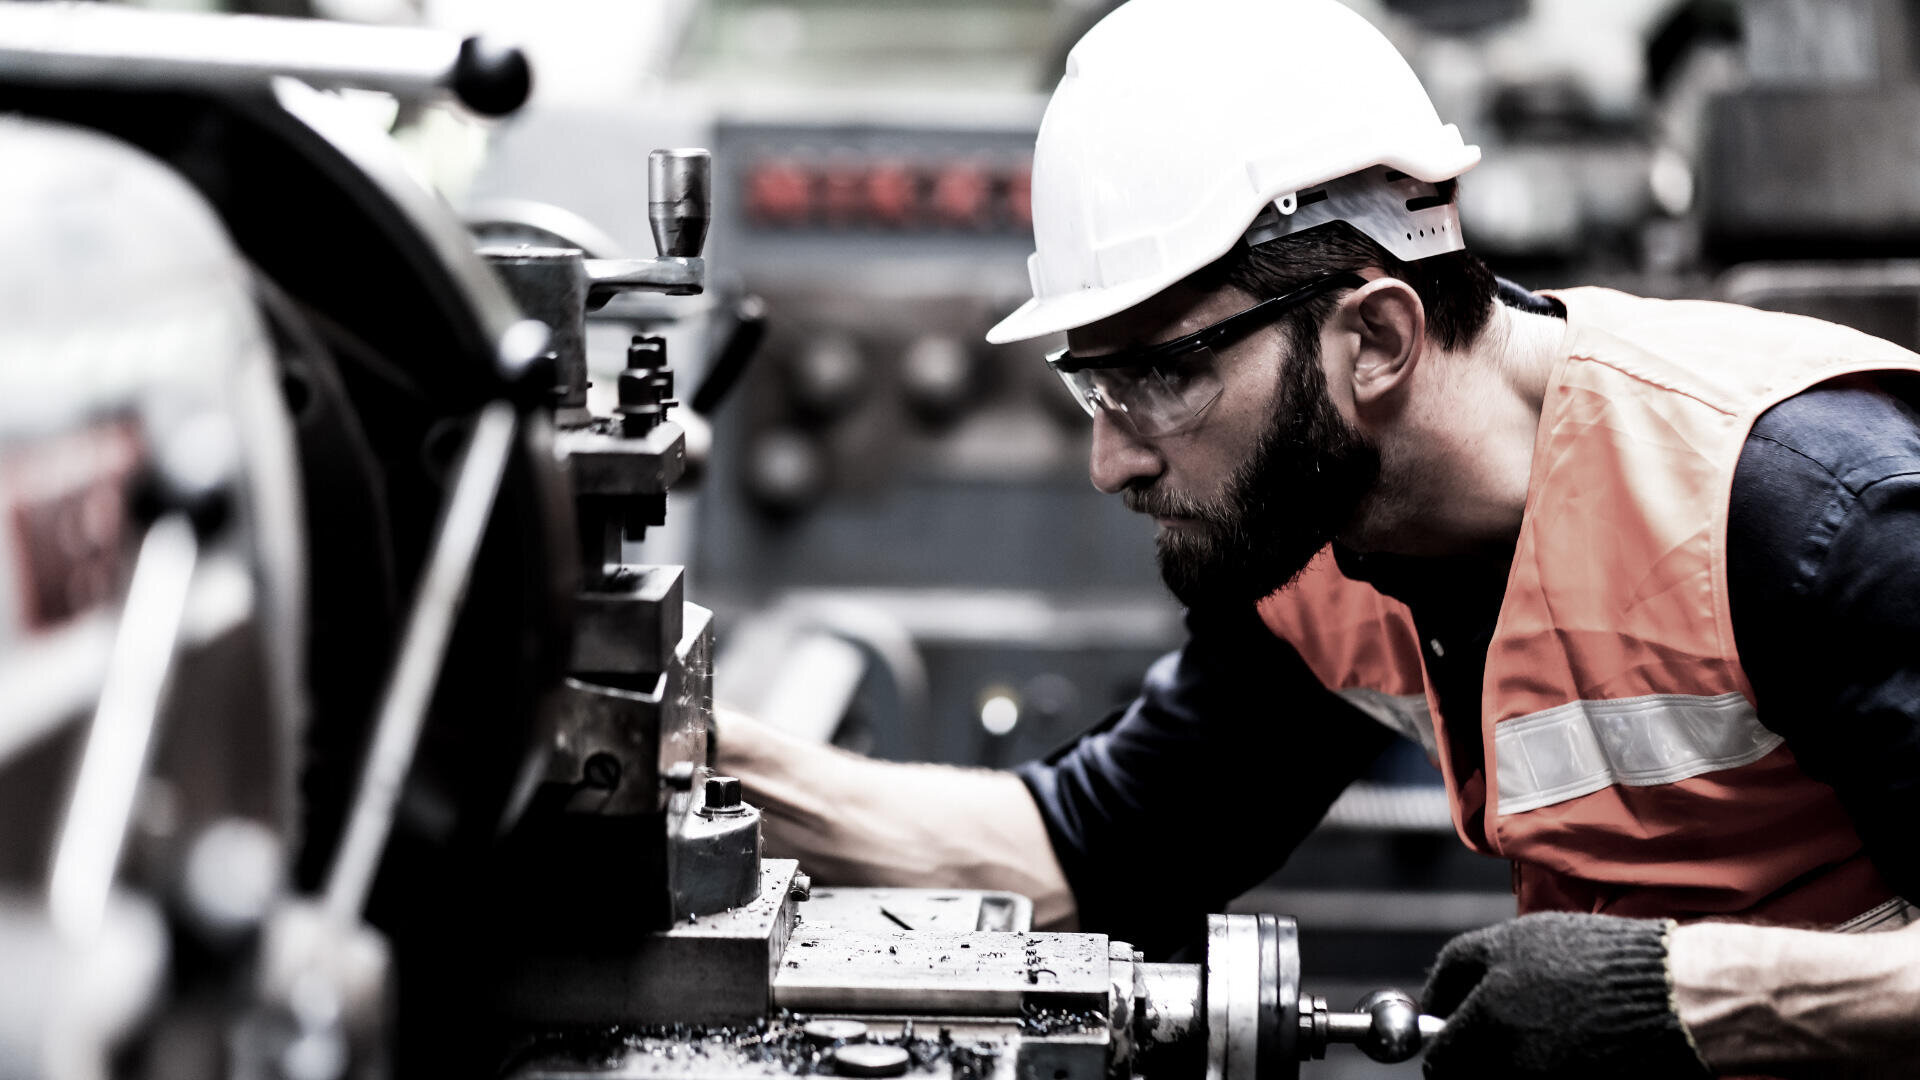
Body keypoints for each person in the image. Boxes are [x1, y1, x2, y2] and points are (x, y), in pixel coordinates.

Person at [717, 0, 1920, 1074]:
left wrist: (1684, 1001)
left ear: (1380, 339)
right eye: (1097, 390)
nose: (1112, 460)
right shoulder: (1325, 556)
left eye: (1164, 378)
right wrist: (696, 758)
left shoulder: (1805, 512)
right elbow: (1082, 852)